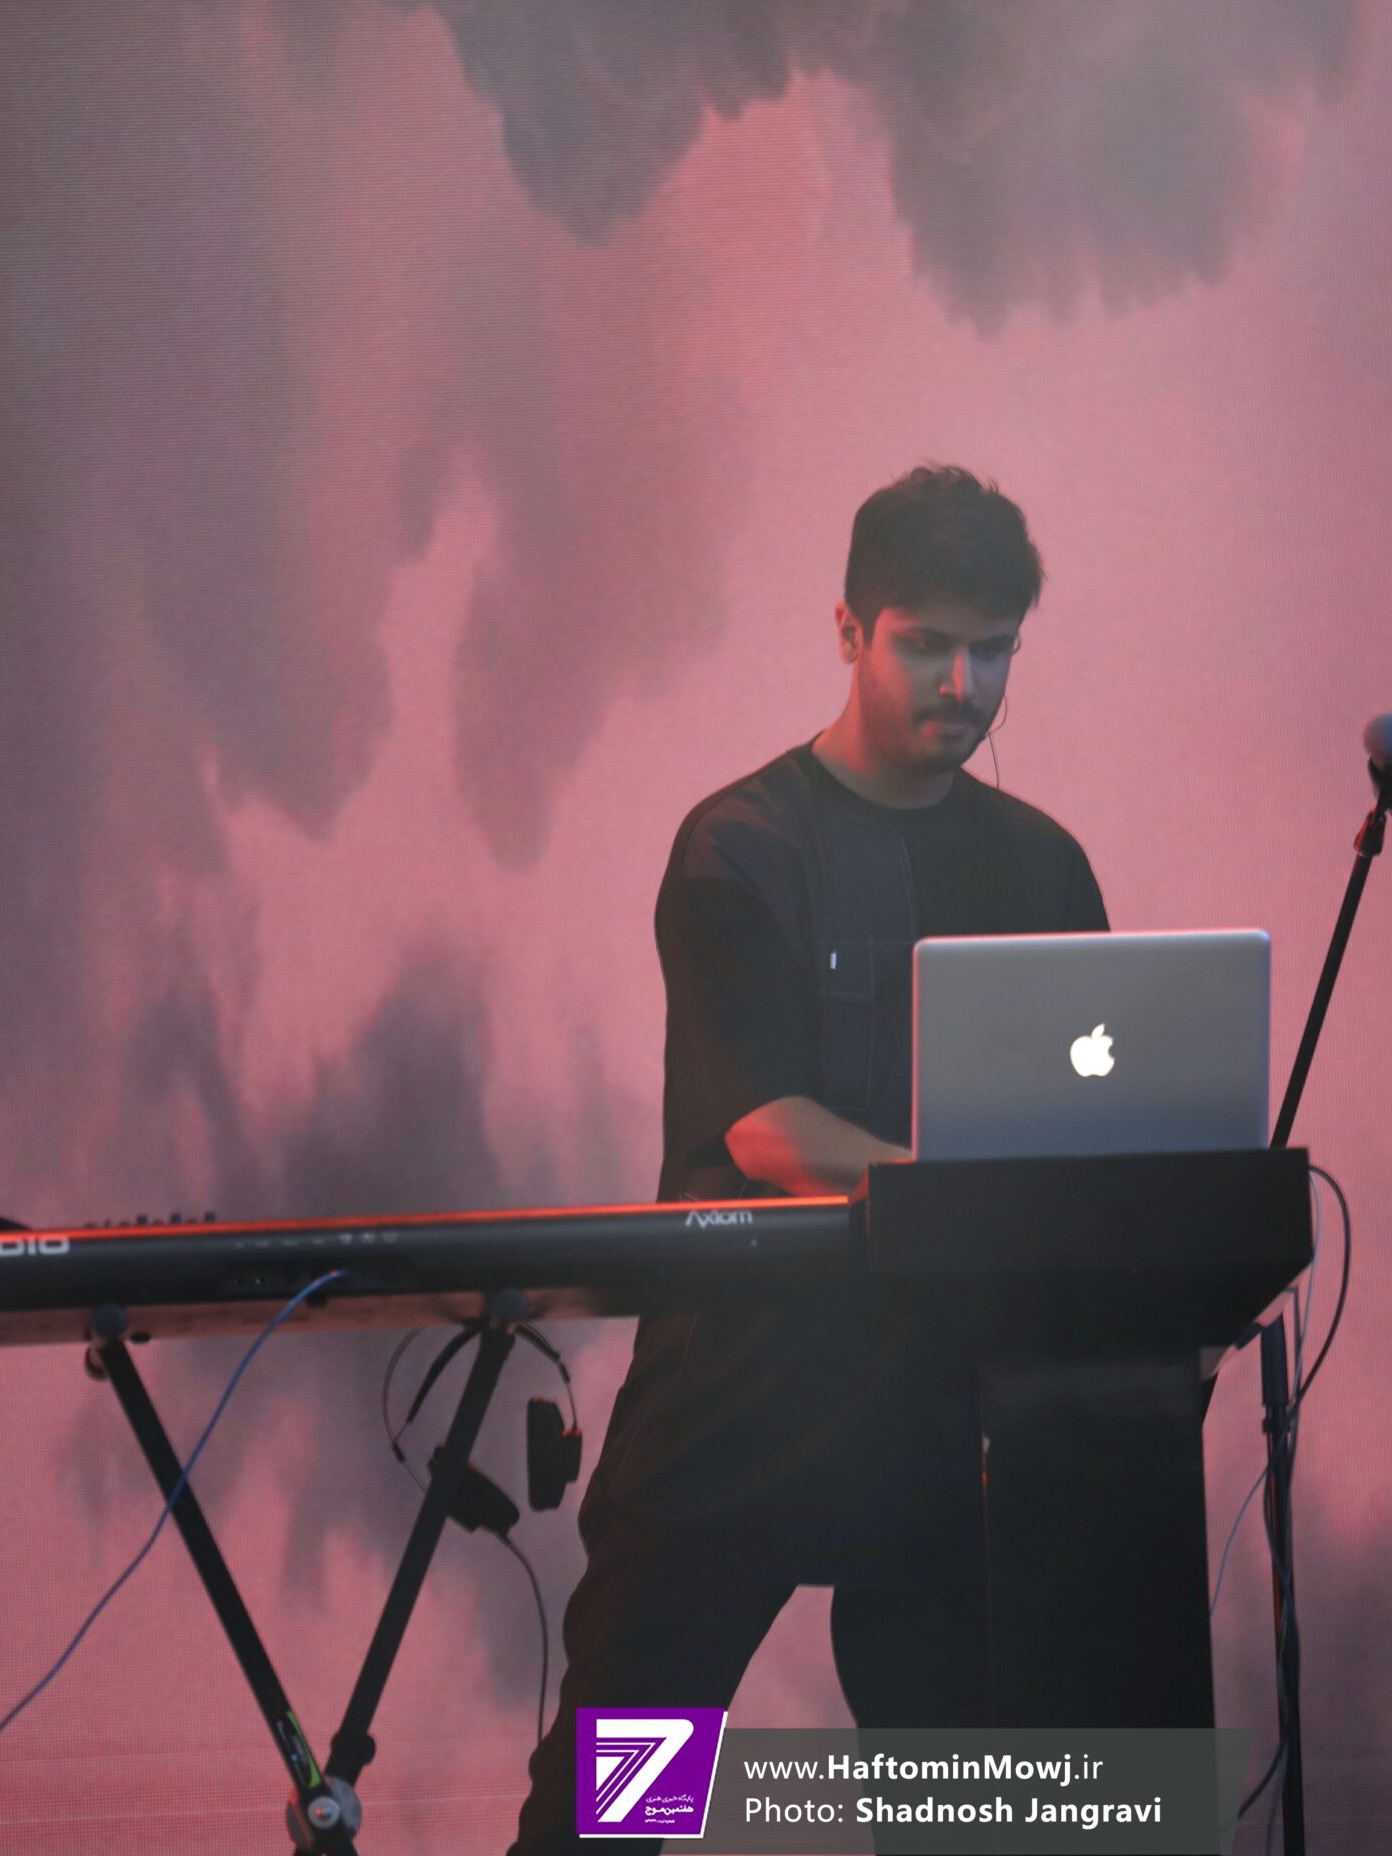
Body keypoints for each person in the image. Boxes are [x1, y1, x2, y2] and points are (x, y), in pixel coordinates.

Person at [508, 465, 1108, 1853]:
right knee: (614, 1819)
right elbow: (768, 1127)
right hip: (740, 1400)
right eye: (925, 643)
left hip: (944, 1415)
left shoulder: (1043, 870)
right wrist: (966, 1203)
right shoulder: (743, 847)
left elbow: (1090, 1117)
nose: (963, 683)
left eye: (993, 650)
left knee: (969, 1821)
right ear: (847, 629)